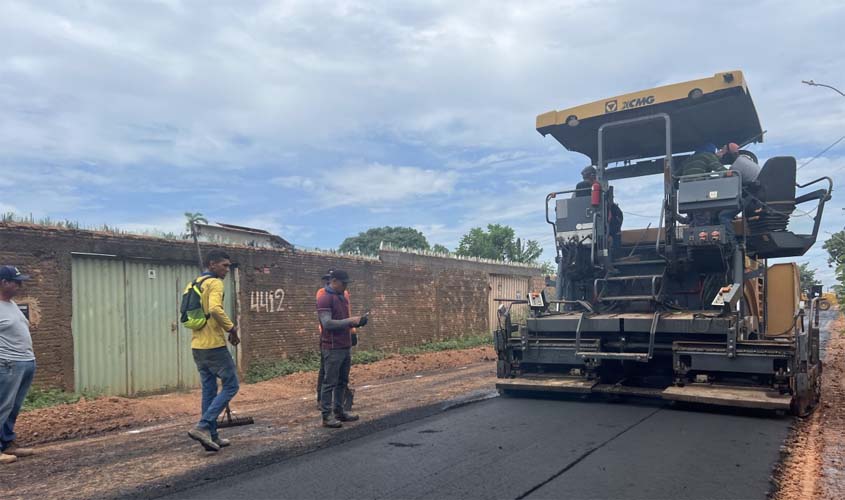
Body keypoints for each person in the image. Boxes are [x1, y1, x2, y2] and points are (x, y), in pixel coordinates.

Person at [186, 250, 240, 452]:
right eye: (224, 265)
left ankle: (212, 436)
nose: (227, 269)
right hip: (214, 346)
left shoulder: (193, 284)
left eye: (229, 266)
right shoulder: (215, 283)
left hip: (197, 346)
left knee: (209, 391)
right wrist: (231, 329)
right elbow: (215, 309)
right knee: (231, 385)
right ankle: (202, 426)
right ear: (212, 264)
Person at [0, 266, 36, 464]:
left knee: (13, 407)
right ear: (4, 283)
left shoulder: (12, 304)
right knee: (2, 406)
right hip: (8, 363)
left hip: (25, 361)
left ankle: (7, 443)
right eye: (16, 282)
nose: (20, 285)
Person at [316, 270, 361, 428]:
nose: (345, 286)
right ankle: (326, 416)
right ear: (334, 281)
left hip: (344, 345)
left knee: (342, 381)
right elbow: (327, 323)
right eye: (343, 283)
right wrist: (350, 321)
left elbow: (343, 320)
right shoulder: (324, 298)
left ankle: (339, 411)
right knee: (329, 382)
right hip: (332, 347)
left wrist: (356, 324)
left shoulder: (342, 296)